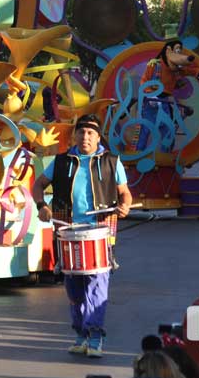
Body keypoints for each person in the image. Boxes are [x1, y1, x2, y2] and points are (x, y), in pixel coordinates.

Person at [32, 114, 132, 358]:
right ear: (74, 135)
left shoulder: (111, 161)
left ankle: (95, 335)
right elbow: (38, 185)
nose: (85, 137)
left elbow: (125, 193)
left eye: (90, 133)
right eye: (81, 132)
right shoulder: (61, 161)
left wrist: (125, 206)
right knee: (75, 290)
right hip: (67, 231)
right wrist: (41, 206)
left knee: (96, 286)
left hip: (99, 231)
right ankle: (80, 334)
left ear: (98, 137)